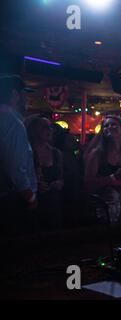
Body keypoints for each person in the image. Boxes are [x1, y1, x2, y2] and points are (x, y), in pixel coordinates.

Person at [84, 115, 121, 224]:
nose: (109, 127)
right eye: (105, 126)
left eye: (113, 124)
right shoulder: (97, 153)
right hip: (103, 203)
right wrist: (113, 177)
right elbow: (88, 182)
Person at [0, 75, 37, 236]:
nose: (27, 98)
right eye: (25, 94)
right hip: (11, 200)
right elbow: (15, 168)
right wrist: (30, 197)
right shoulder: (14, 123)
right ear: (15, 95)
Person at [24, 115, 64, 231]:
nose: (49, 130)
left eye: (50, 127)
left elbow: (61, 178)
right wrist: (35, 184)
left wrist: (58, 183)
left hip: (53, 204)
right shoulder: (27, 152)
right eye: (44, 127)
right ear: (33, 130)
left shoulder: (56, 153)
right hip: (32, 202)